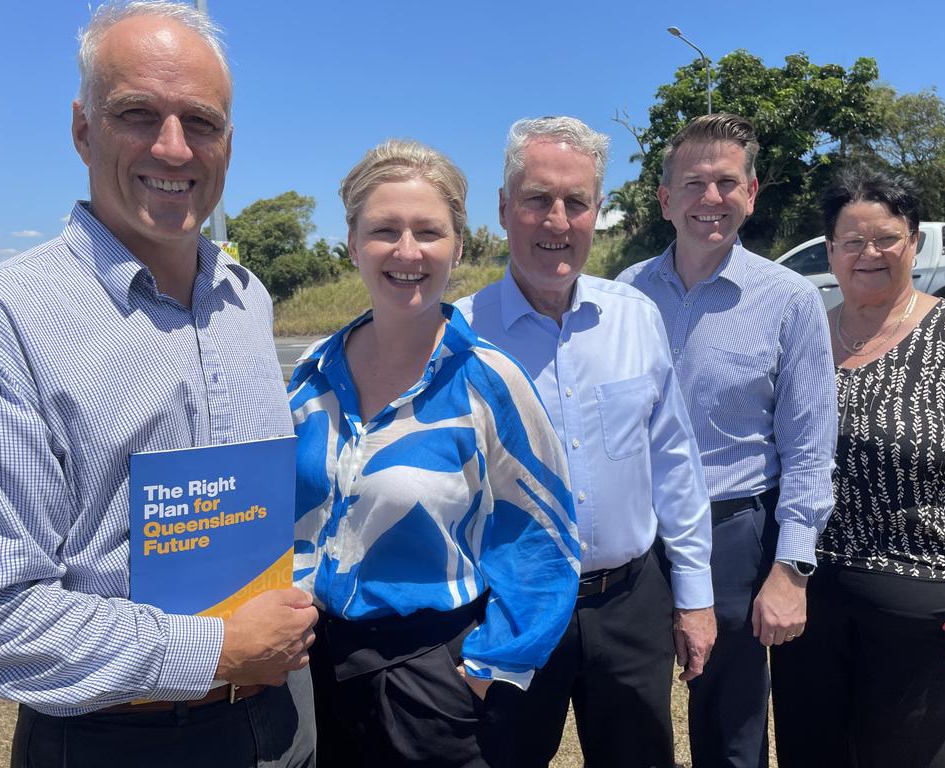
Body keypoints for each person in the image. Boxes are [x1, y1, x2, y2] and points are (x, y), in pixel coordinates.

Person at [0, 3, 318, 767]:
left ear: (227, 141)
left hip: (284, 718)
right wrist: (217, 650)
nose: (172, 146)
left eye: (201, 120)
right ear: (83, 129)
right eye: (137, 114)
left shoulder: (247, 299)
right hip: (117, 738)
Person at [287, 139, 579, 768]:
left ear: (460, 247)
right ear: (352, 243)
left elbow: (545, 539)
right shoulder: (309, 377)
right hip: (304, 669)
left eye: (428, 231)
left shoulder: (487, 380)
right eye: (384, 230)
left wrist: (488, 666)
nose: (407, 251)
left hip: (427, 680)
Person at [456, 116, 716, 768]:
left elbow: (675, 465)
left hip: (630, 608)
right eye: (539, 199)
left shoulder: (636, 319)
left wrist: (695, 598)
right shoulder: (457, 335)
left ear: (598, 211)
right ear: (504, 208)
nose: (557, 221)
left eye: (577, 203)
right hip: (506, 608)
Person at [617, 113, 837, 768]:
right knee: (628, 712)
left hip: (733, 536)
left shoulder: (790, 301)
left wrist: (791, 567)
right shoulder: (623, 295)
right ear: (664, 199)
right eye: (692, 183)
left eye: (726, 182)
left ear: (752, 192)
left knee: (731, 726)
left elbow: (809, 445)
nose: (710, 199)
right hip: (635, 539)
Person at [771, 169, 945, 768]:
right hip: (807, 613)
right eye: (852, 241)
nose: (870, 254)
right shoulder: (803, 340)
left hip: (936, 620)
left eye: (887, 238)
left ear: (914, 241)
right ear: (831, 251)